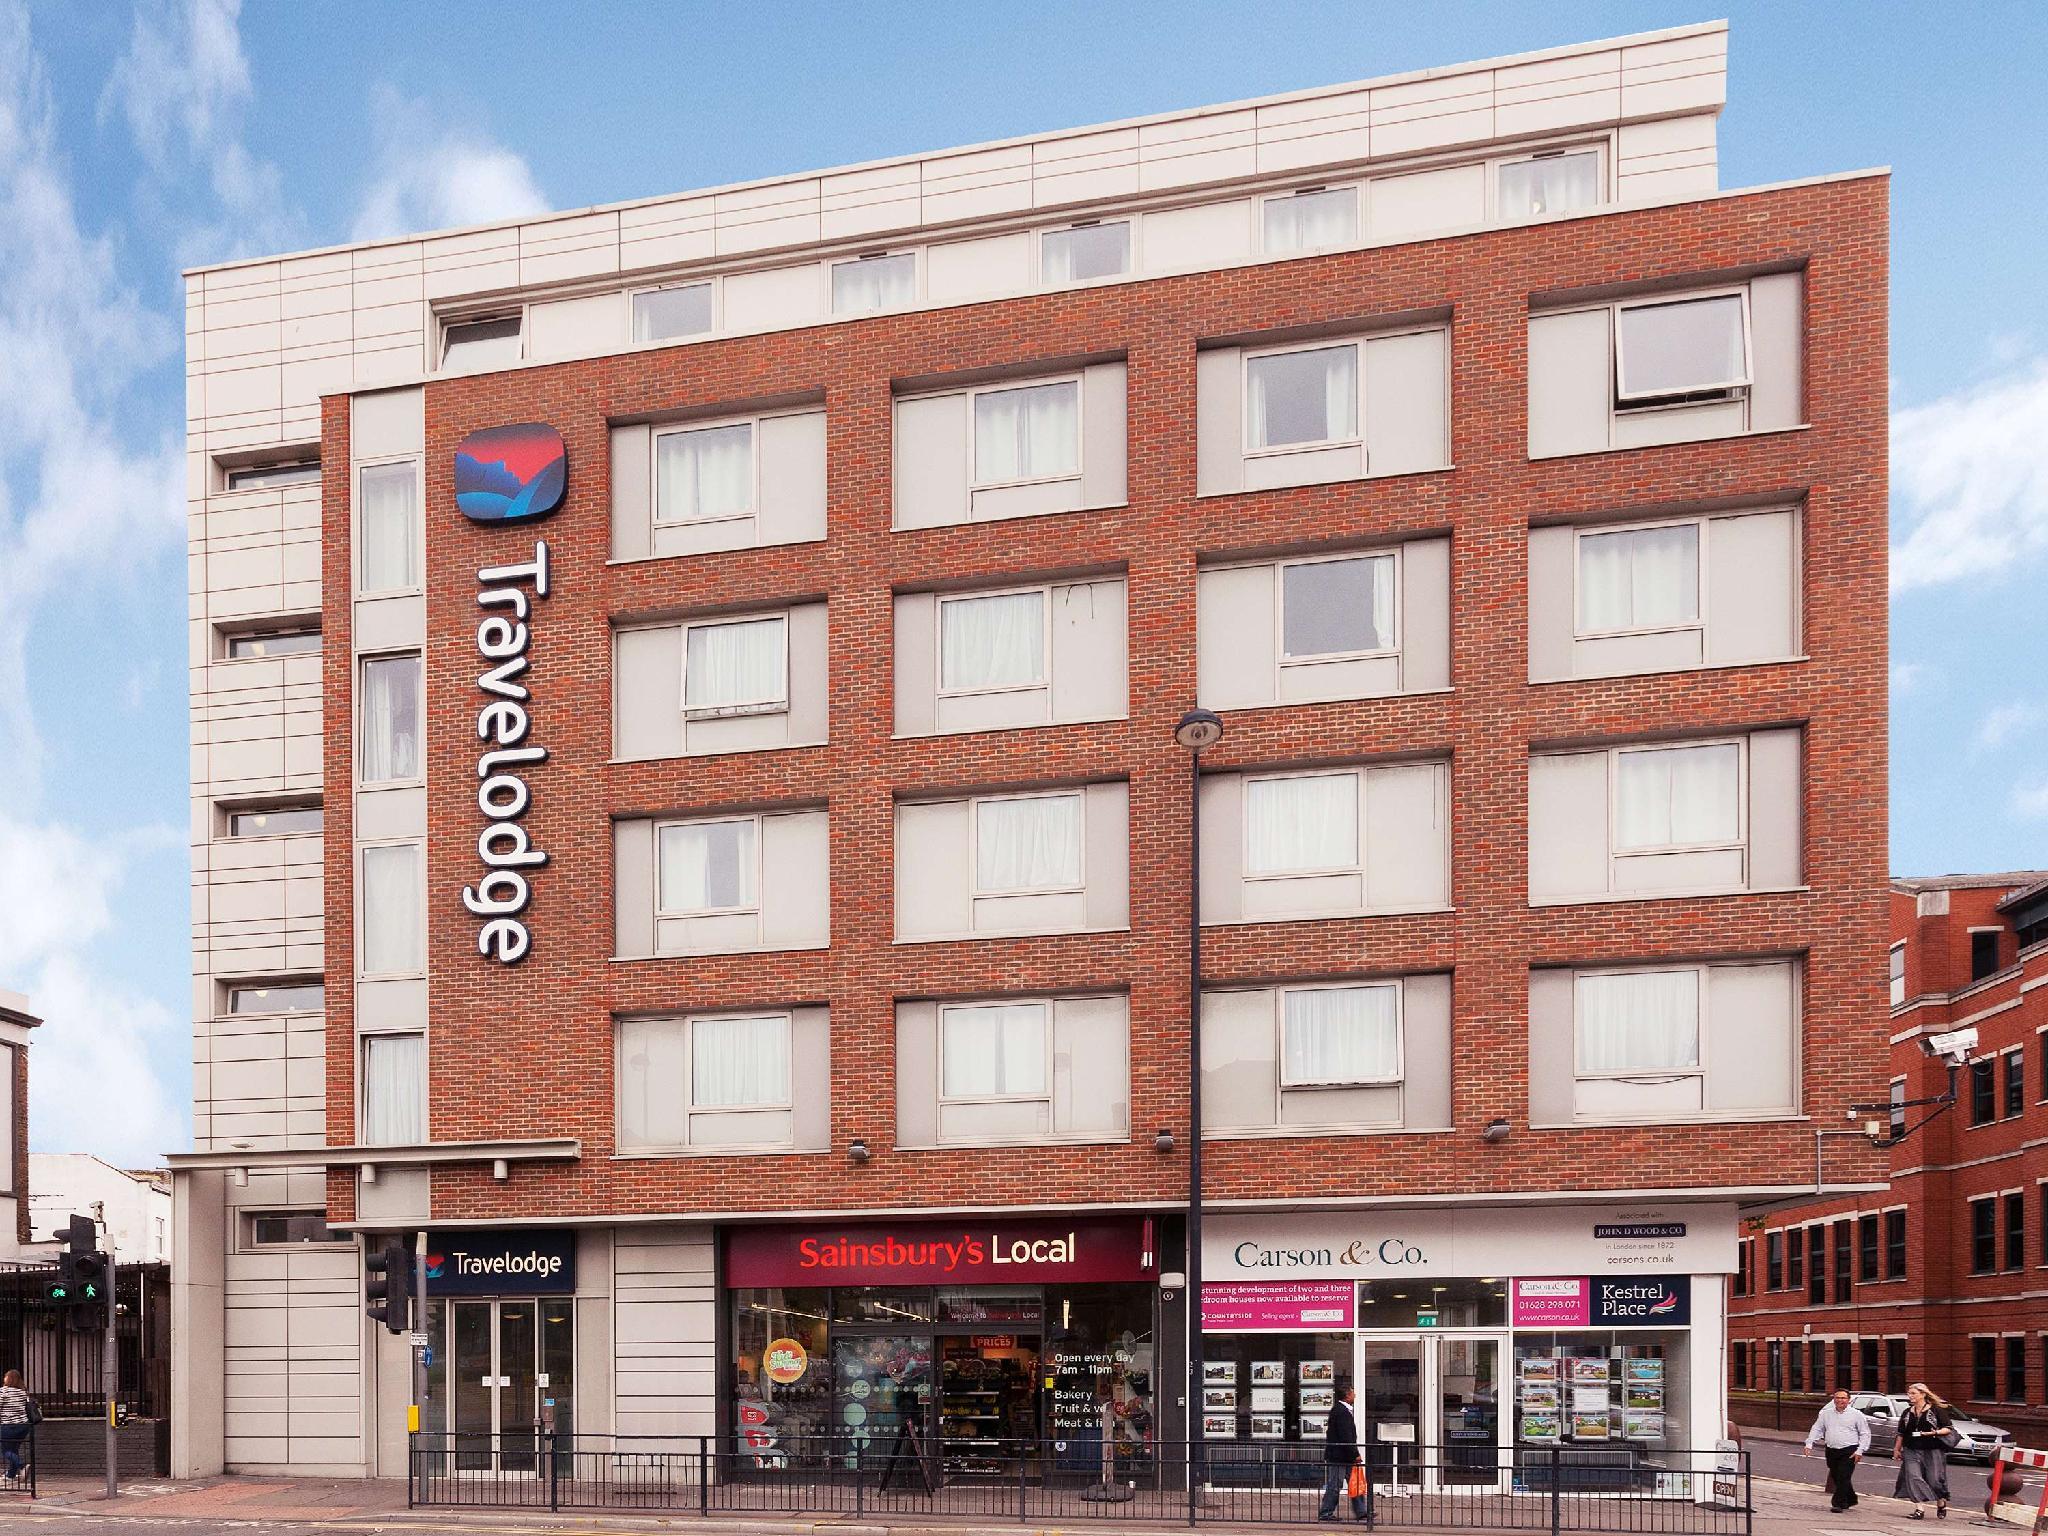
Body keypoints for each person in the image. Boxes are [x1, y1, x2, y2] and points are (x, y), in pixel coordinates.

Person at [1802, 1387, 1872, 1512]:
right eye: (1837, 1398)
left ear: (1849, 1400)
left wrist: (1860, 1450)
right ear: (1834, 1399)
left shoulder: (1857, 1415)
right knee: (1836, 1476)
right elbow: (1817, 1428)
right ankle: (1850, 1499)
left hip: (1849, 1450)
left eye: (1843, 1398)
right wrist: (1809, 1443)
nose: (1840, 1400)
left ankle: (1838, 1504)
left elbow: (1865, 1433)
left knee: (1843, 1476)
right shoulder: (1826, 1414)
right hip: (1831, 1449)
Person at [1894, 1382, 1954, 1520]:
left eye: (1913, 1393)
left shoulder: (1936, 1410)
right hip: (1911, 1449)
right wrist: (1897, 1449)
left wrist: (1934, 1433)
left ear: (1923, 1394)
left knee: (1934, 1480)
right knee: (1913, 1477)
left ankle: (1941, 1502)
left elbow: (1948, 1428)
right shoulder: (1907, 1412)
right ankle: (1919, 1509)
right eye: (1909, 1393)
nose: (1910, 1396)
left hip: (1932, 1449)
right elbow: (1901, 1433)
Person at [1319, 1381, 1367, 1522]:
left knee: (1355, 1482)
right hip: (1339, 1456)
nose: (1355, 1395)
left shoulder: (1341, 1410)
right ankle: (1326, 1512)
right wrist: (1355, 1454)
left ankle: (1361, 1511)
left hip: (1344, 1455)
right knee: (1335, 1484)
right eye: (1352, 1393)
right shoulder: (1342, 1412)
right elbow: (1346, 1436)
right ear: (1347, 1395)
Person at [0, 1369, 34, 1484]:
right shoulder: (23, 1392)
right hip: (23, 1426)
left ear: (9, 1378)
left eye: (5, 1376)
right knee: (14, 1449)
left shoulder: (4, 1391)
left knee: (6, 1451)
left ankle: (22, 1466)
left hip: (9, 1425)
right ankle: (11, 1474)